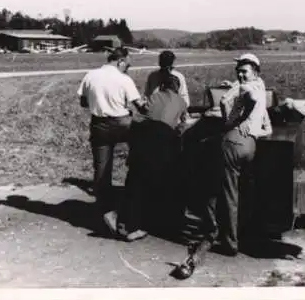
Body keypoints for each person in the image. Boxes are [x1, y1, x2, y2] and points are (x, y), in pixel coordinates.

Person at [173, 53, 272, 279]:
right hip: (250, 146)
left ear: (255, 72)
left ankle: (228, 241)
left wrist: (233, 116)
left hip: (232, 144)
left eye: (244, 71)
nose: (240, 73)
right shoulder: (260, 85)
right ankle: (236, 229)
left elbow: (241, 100)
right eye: (238, 70)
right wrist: (252, 127)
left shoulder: (248, 89)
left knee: (226, 193)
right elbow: (263, 115)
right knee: (238, 188)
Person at [103, 74, 188, 241]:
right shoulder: (181, 101)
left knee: (136, 178)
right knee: (161, 176)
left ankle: (123, 222)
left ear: (162, 86)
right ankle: (148, 223)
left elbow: (144, 111)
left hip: (141, 133)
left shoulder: (154, 96)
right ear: (177, 88)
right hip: (161, 136)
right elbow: (182, 124)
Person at [77, 47, 145, 218]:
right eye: (127, 65)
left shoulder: (90, 75)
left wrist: (100, 102)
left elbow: (83, 102)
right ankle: (135, 193)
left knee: (101, 167)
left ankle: (103, 208)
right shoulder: (124, 79)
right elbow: (140, 106)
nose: (127, 68)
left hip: (99, 124)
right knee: (139, 155)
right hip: (122, 123)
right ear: (120, 61)